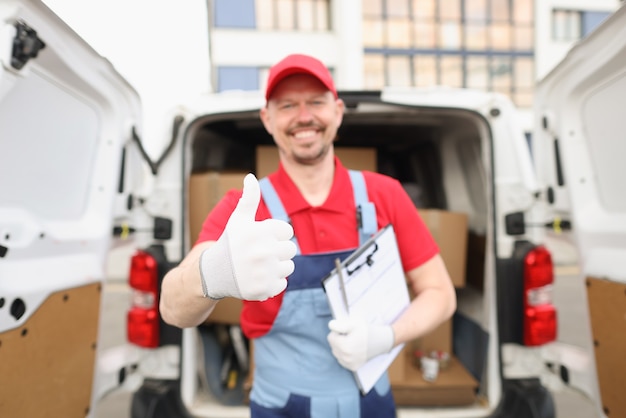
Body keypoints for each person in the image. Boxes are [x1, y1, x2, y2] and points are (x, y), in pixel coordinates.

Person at [160, 53, 456, 417]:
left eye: (316, 102)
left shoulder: (385, 195)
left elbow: (441, 294)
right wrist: (212, 274)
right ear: (267, 119)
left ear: (338, 111)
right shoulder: (243, 210)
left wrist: (386, 338)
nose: (304, 116)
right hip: (281, 405)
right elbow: (172, 308)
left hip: (372, 401)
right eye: (287, 105)